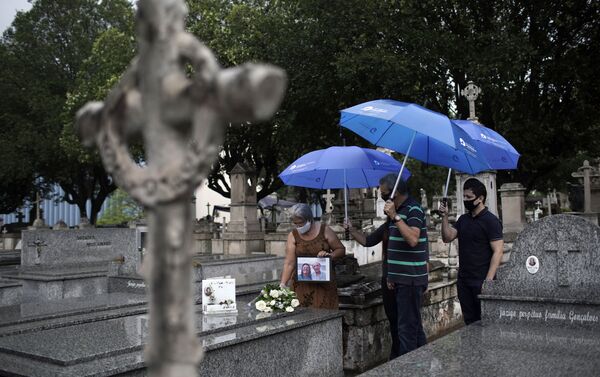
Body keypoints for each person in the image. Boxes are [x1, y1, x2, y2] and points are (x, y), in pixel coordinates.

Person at [345, 173, 428, 359]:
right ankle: (418, 361)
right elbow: (368, 241)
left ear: (395, 192)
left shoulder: (414, 210)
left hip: (410, 279)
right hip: (394, 279)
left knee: (408, 327)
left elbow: (413, 239)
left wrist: (396, 217)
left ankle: (407, 367)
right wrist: (351, 230)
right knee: (400, 325)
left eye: (384, 194)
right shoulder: (393, 217)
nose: (381, 197)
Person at [439, 178, 504, 325]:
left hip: (482, 281)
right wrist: (444, 217)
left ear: (480, 198)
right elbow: (447, 237)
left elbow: (498, 251)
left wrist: (488, 281)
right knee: (470, 323)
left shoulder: (491, 221)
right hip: (464, 281)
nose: (465, 200)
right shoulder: (463, 219)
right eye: (464, 197)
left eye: (469, 197)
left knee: (486, 324)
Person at [280, 203, 345, 309]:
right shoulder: (293, 235)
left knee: (326, 315)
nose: (298, 227)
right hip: (301, 285)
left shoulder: (325, 230)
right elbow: (289, 262)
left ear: (309, 219)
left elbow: (341, 250)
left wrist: (330, 255)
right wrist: (283, 284)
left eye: (301, 223)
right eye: (295, 224)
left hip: (324, 284)